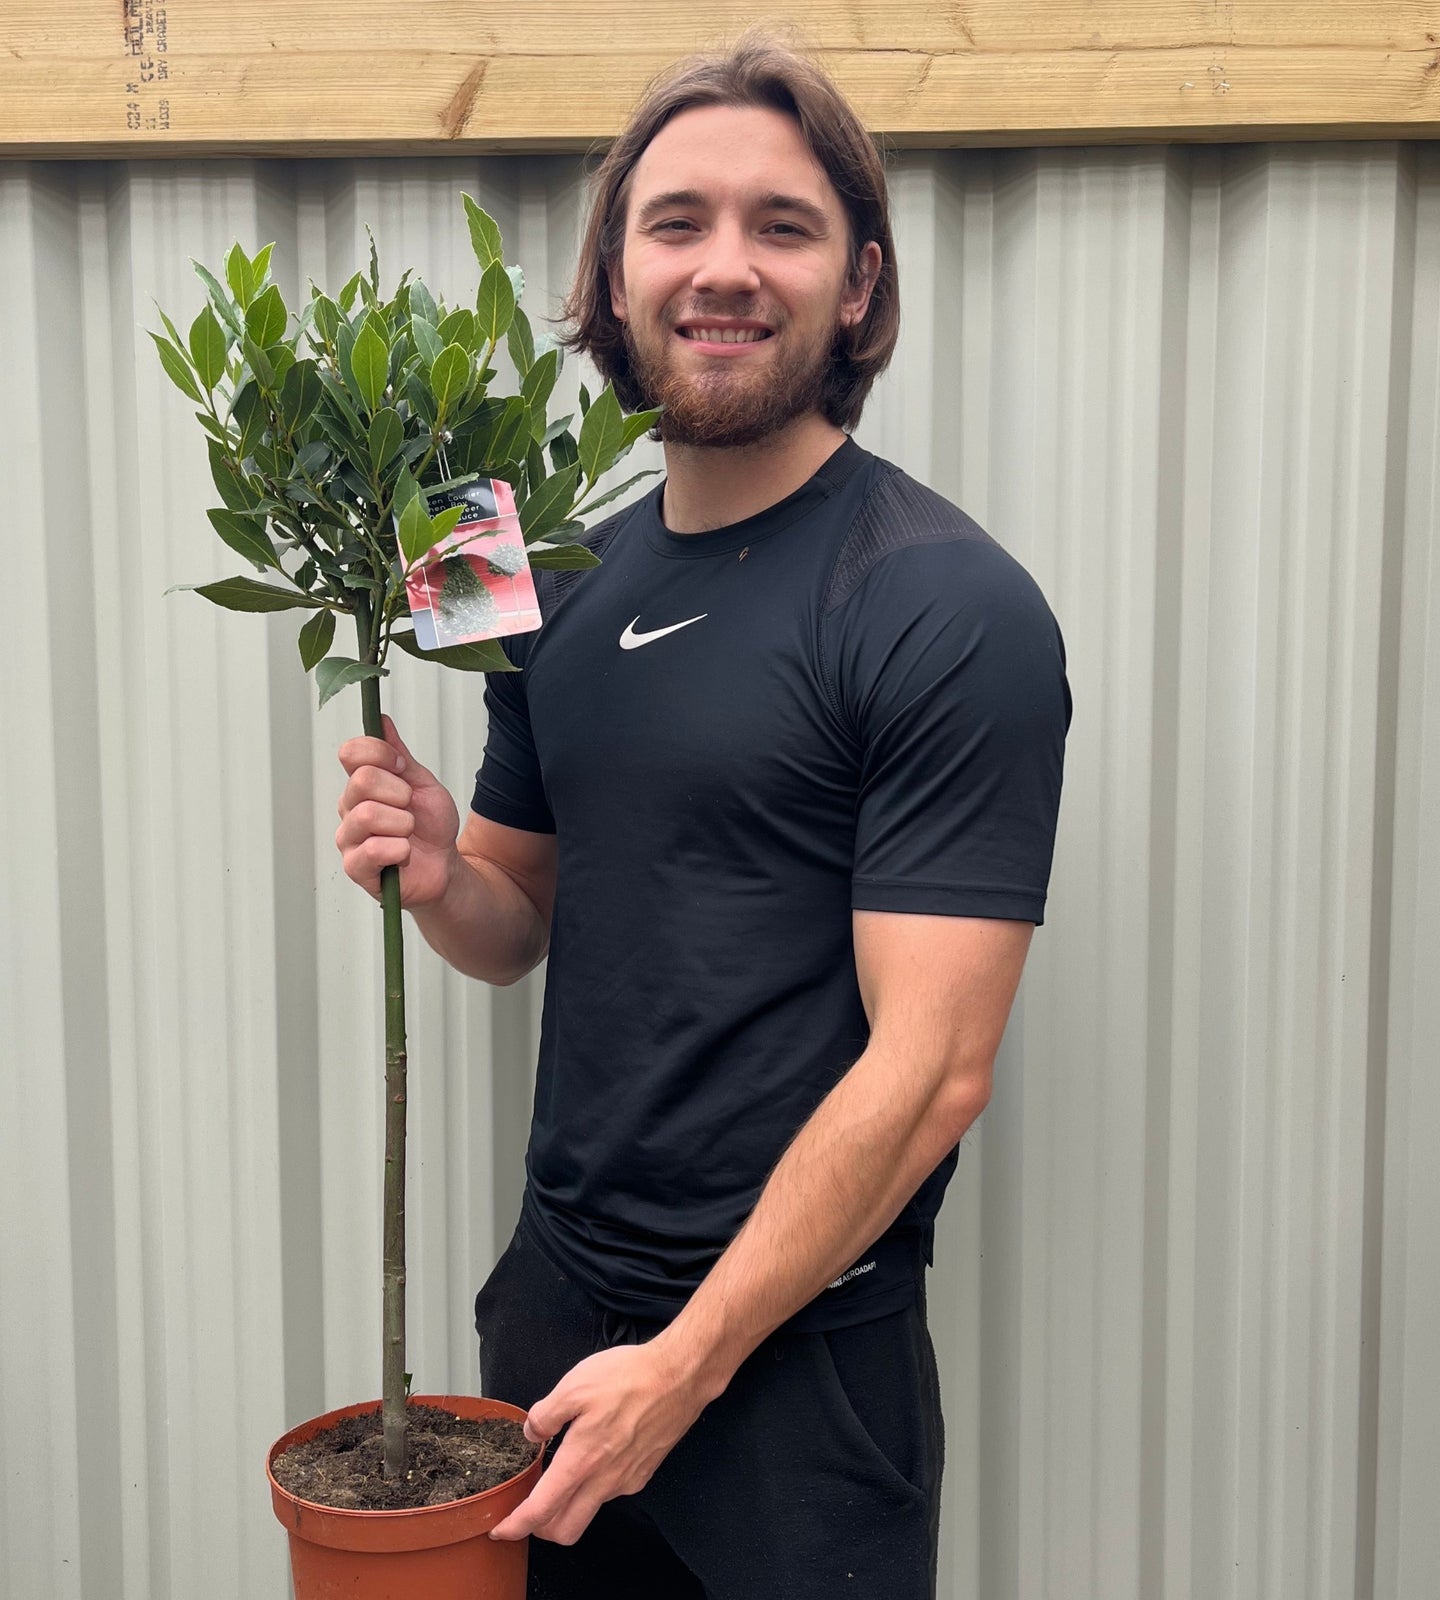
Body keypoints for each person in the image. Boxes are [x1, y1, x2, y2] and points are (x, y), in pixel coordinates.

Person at [335, 31, 1070, 1600]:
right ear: (611, 278)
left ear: (859, 284)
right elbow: (516, 930)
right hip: (552, 1327)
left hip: (793, 1375)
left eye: (782, 226)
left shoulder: (946, 604)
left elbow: (934, 1070)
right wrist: (438, 867)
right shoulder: (548, 578)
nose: (723, 268)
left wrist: (688, 1360)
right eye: (677, 223)